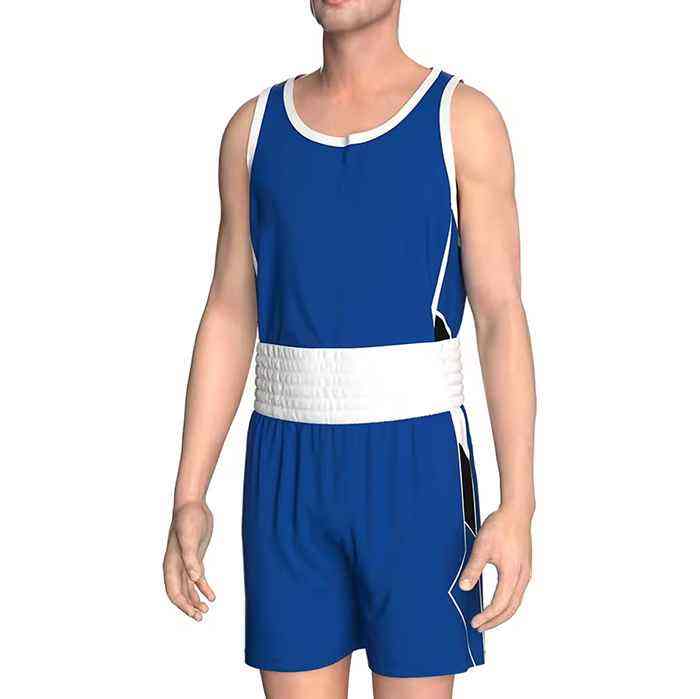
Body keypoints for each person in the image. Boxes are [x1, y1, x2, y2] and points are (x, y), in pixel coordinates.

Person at [163, 1, 535, 697]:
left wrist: (519, 504)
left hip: (416, 468)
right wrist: (190, 492)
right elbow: (230, 311)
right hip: (286, 469)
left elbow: (499, 315)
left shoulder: (463, 121)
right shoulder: (253, 130)